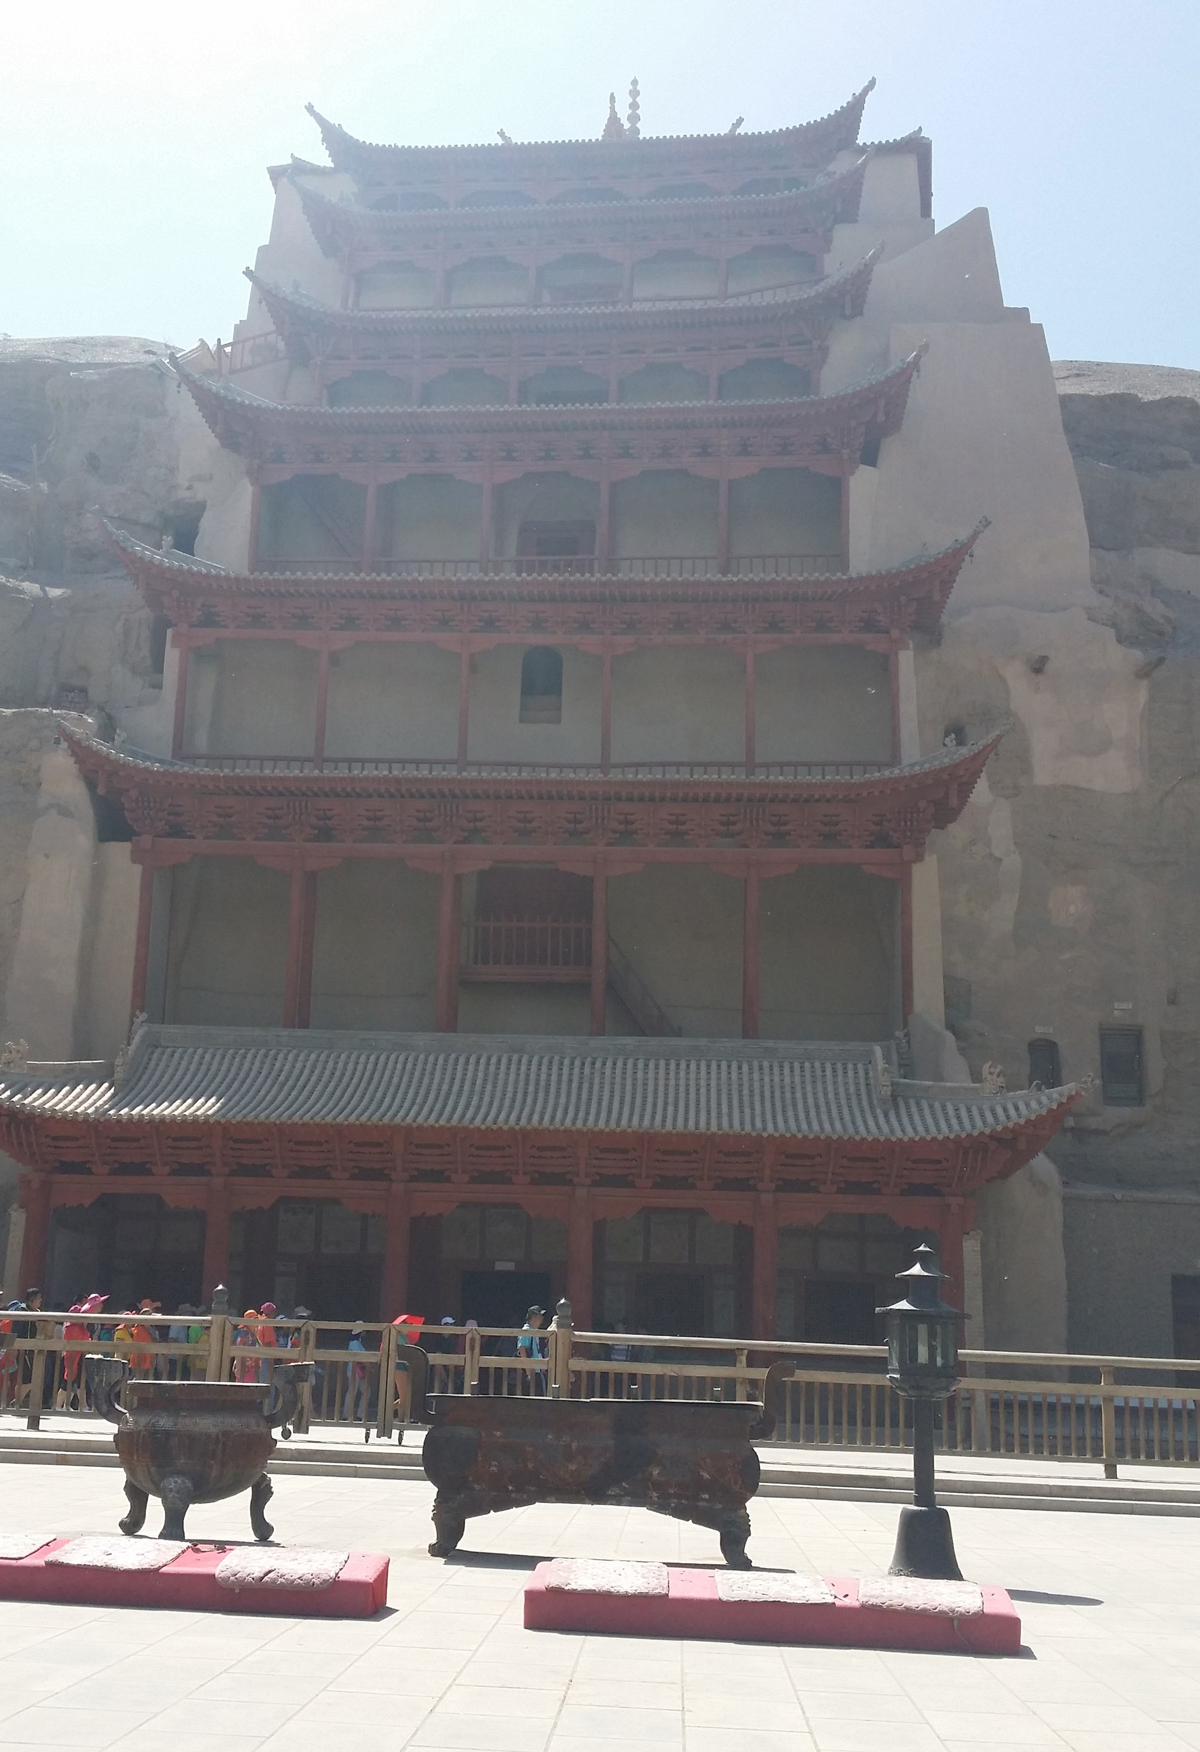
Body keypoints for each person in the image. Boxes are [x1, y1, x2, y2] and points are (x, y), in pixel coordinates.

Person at [516, 1304, 547, 1395]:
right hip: (532, 1371)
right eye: (540, 1317)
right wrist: (528, 1371)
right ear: (533, 1318)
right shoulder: (526, 1330)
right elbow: (522, 1349)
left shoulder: (534, 1331)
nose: (541, 1320)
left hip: (537, 1370)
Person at [342, 1321, 368, 1421]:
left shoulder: (358, 1342)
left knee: (366, 1391)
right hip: (354, 1370)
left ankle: (360, 1415)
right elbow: (359, 1357)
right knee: (352, 1391)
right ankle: (346, 1415)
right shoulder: (354, 1343)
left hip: (359, 1371)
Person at [232, 1309, 260, 1383]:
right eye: (255, 1319)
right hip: (245, 1372)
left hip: (252, 1371)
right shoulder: (244, 1336)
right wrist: (241, 1379)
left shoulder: (253, 1334)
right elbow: (241, 1357)